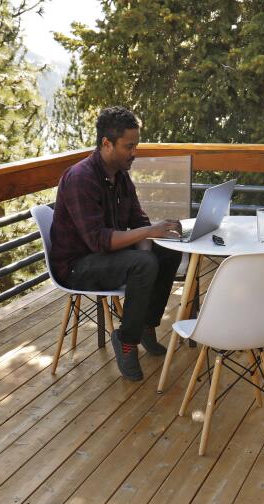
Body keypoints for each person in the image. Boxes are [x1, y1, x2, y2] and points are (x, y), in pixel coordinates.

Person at [50, 106, 183, 381]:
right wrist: (147, 235)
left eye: (135, 145)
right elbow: (99, 241)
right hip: (78, 265)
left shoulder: (121, 176)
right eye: (128, 146)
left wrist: (159, 235)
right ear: (106, 144)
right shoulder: (80, 178)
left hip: (106, 256)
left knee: (167, 254)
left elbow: (138, 219)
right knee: (144, 264)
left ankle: (146, 323)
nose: (134, 152)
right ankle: (126, 339)